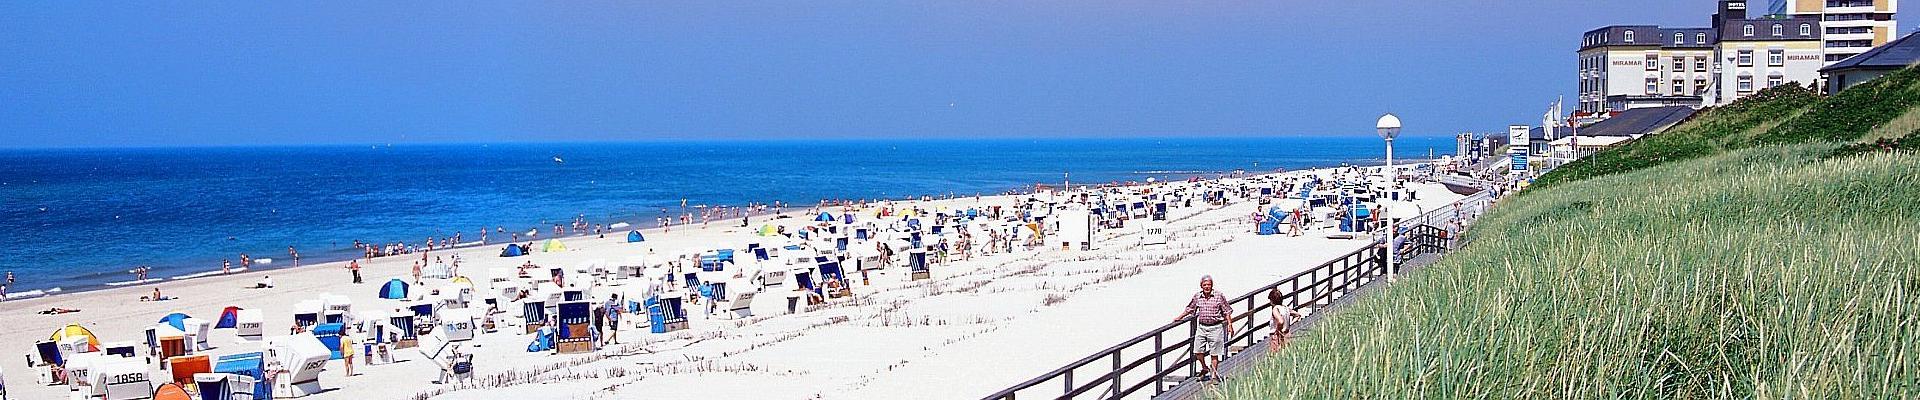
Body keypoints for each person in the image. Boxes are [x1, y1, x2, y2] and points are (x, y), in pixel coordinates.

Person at [1173, 275, 1233, 383]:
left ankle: (1213, 376)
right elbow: (1190, 309)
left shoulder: (1218, 296)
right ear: (1201, 286)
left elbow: (1227, 311)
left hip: (1216, 326)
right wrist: (1179, 317)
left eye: (1209, 284)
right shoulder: (1197, 296)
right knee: (1197, 351)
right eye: (1205, 285)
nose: (1207, 287)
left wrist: (1230, 325)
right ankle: (1205, 367)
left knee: (1214, 353)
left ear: (1212, 285)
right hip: (1202, 327)